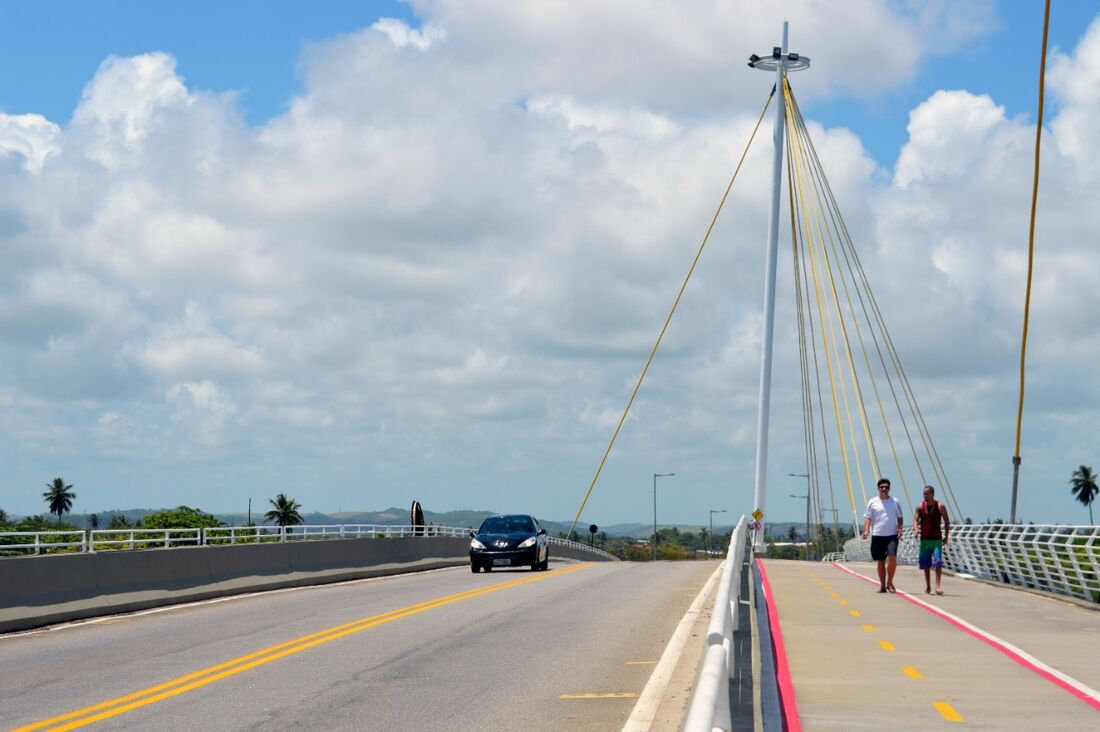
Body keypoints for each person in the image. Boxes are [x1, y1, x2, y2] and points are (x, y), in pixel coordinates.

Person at [862, 478, 904, 593]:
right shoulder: (872, 502)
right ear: (878, 488)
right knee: (880, 560)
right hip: (877, 535)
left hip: (892, 535)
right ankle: (882, 585)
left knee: (892, 557)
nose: (884, 489)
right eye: (882, 487)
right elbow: (868, 517)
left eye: (886, 487)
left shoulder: (895, 502)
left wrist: (900, 528)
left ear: (889, 488)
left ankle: (890, 582)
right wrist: (866, 531)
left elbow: (900, 517)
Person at [914, 484, 950, 595]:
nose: (925, 495)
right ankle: (928, 587)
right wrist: (916, 529)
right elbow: (915, 519)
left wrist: (946, 536)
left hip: (936, 540)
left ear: (933, 494)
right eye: (924, 493)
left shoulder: (940, 506)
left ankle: (937, 587)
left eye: (927, 493)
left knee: (938, 562)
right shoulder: (920, 506)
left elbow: (947, 521)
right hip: (924, 539)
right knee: (926, 565)